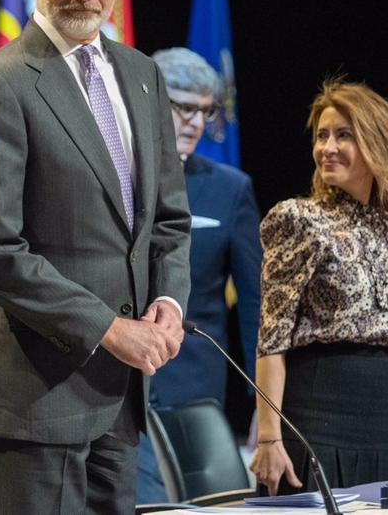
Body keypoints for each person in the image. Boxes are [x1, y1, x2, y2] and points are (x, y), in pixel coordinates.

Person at [0, 0, 192, 514]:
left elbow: (167, 220)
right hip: (35, 404)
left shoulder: (143, 75)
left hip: (121, 403)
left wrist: (167, 304)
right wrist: (108, 329)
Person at [251, 79, 388, 495]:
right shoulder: (300, 221)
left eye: (343, 135)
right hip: (315, 426)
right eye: (322, 135)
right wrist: (269, 438)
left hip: (383, 435)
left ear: (378, 144)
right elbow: (271, 340)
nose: (327, 147)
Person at [135, 48, 262, 504]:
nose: (195, 121)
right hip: (113, 385)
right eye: (182, 106)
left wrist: (263, 404)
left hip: (193, 393)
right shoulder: (112, 176)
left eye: (205, 111)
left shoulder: (230, 189)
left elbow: (255, 305)